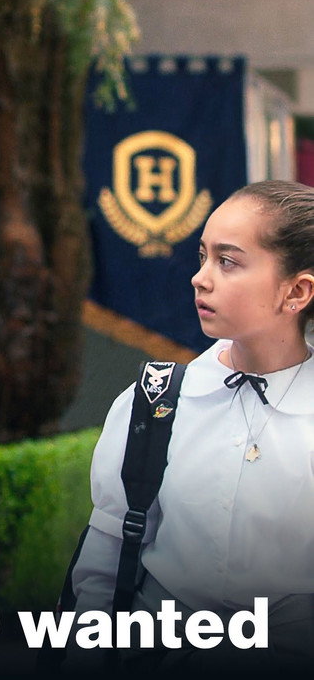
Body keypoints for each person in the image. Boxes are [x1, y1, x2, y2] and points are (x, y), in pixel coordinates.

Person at [65, 180, 314, 676]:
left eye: (229, 262)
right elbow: (106, 553)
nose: (200, 278)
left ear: (297, 291)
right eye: (202, 257)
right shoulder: (157, 401)